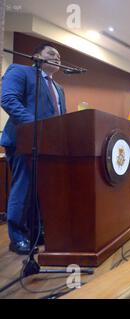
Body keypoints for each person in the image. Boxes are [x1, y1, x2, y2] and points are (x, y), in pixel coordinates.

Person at [1, 43, 67, 255]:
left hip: (49, 147)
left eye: (59, 56)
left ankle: (37, 232)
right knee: (24, 188)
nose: (56, 57)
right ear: (36, 56)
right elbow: (8, 99)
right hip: (23, 141)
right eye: (51, 53)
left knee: (42, 192)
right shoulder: (20, 71)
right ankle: (18, 237)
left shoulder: (59, 88)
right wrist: (36, 124)